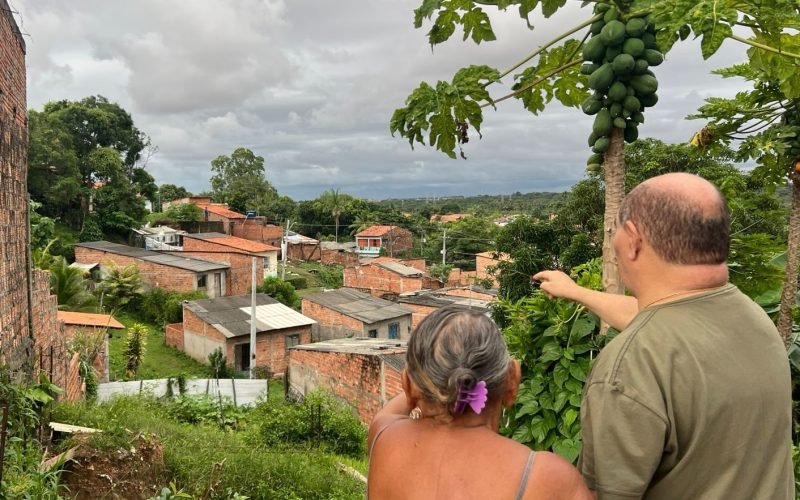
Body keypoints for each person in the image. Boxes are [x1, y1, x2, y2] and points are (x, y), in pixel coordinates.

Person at [535, 173, 794, 499]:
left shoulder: (629, 369)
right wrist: (576, 292)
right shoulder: (752, 318)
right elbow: (654, 318)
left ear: (633, 239)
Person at [367, 307, 592, 500]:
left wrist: (431, 385)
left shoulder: (384, 437)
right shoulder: (548, 478)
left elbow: (405, 398)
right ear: (512, 382)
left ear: (408, 384)